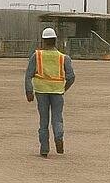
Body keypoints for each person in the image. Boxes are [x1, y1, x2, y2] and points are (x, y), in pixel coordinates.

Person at [24, 27, 75, 156]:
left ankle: (44, 149)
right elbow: (71, 76)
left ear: (43, 40)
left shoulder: (37, 56)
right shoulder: (64, 58)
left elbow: (28, 75)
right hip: (57, 92)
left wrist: (29, 91)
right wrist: (64, 88)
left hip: (41, 91)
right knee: (57, 118)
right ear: (55, 40)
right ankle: (58, 137)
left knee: (43, 120)